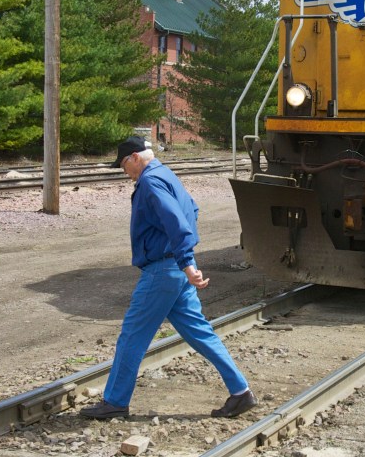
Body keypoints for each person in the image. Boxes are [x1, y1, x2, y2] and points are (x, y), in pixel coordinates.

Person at [80, 136, 257, 420]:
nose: (124, 171)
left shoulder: (150, 182)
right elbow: (192, 210)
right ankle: (241, 392)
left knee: (132, 336)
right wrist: (184, 258)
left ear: (135, 157)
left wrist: (184, 261)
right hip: (174, 268)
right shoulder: (165, 174)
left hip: (163, 270)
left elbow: (177, 221)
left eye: (124, 164)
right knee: (199, 332)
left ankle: (114, 401)